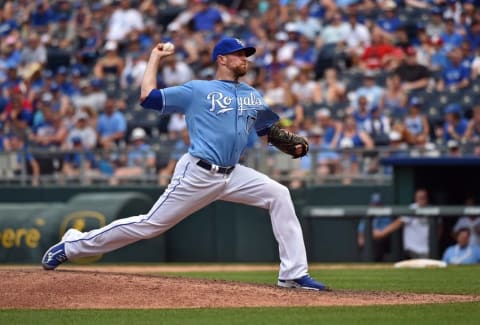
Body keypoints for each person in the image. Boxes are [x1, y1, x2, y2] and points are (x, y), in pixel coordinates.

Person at [41, 38, 328, 291]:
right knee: (150, 225)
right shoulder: (197, 90)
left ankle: (293, 274)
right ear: (222, 59)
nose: (244, 59)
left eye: (246, 54)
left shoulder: (253, 94)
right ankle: (72, 245)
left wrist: (290, 142)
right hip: (198, 173)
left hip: (234, 173)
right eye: (239, 54)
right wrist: (155, 57)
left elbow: (269, 131)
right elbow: (148, 98)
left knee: (279, 194)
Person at [374, 188, 437, 259]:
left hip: (427, 250)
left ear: (427, 198)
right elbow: (398, 223)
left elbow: (439, 227)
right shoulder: (412, 209)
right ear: (415, 199)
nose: (421, 200)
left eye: (423, 197)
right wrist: (382, 233)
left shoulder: (432, 209)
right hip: (412, 250)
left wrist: (434, 242)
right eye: (419, 198)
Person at [357, 193, 393, 262]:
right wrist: (361, 237)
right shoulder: (367, 215)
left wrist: (373, 234)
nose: (376, 206)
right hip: (369, 240)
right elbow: (361, 230)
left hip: (380, 241)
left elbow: (382, 233)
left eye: (378, 204)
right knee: (363, 243)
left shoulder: (385, 216)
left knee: (378, 242)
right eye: (374, 204)